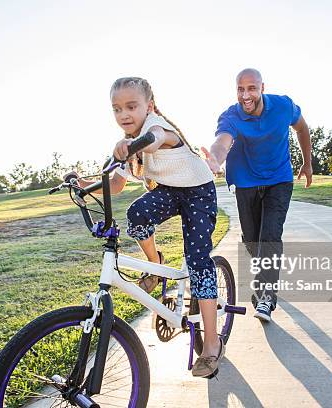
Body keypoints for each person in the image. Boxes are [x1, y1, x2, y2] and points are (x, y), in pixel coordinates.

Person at [67, 77, 225, 377]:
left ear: (148, 106)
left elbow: (155, 138)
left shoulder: (157, 127)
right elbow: (115, 184)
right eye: (116, 109)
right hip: (169, 190)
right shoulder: (128, 146)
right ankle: (156, 263)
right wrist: (82, 185)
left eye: (131, 106)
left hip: (198, 190)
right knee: (137, 214)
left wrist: (132, 144)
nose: (124, 114)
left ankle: (212, 344)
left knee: (198, 262)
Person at [202, 68, 312, 322]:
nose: (246, 95)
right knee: (254, 242)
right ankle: (265, 274)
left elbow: (303, 128)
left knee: (270, 237)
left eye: (251, 88)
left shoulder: (283, 106)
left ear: (263, 87)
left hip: (279, 180)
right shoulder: (231, 116)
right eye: (240, 89)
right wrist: (215, 160)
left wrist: (307, 163)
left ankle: (266, 297)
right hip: (246, 182)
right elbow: (222, 141)